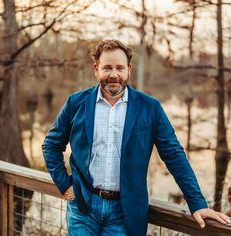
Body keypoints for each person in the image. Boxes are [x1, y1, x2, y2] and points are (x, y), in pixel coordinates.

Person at [42, 39, 230, 236]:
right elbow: (51, 145)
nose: (113, 74)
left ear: (129, 70)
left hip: (125, 212)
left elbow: (174, 155)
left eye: (119, 68)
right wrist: (65, 184)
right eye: (107, 68)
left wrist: (197, 203)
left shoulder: (150, 108)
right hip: (83, 207)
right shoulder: (76, 102)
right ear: (96, 69)